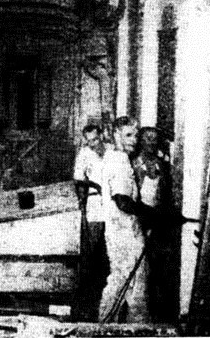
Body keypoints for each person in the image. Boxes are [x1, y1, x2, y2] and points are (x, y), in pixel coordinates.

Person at [98, 116, 152, 323]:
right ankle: (137, 329)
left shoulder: (114, 158)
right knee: (137, 286)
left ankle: (103, 325)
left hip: (117, 232)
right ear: (115, 135)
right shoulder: (119, 161)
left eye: (136, 135)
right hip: (125, 235)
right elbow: (122, 201)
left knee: (119, 282)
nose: (134, 140)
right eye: (128, 135)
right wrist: (152, 214)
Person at [133, 127, 178, 322]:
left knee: (159, 265)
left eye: (154, 139)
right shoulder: (135, 164)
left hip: (158, 219)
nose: (151, 143)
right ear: (140, 141)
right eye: (147, 139)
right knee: (142, 265)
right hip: (141, 218)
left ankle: (158, 311)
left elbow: (165, 192)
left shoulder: (161, 164)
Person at [72, 124, 113, 319]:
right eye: (88, 141)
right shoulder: (84, 154)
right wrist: (93, 185)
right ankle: (89, 299)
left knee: (110, 247)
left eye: (95, 140)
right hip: (96, 203)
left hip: (113, 203)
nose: (92, 144)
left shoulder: (113, 150)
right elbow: (78, 179)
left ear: (102, 136)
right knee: (92, 249)